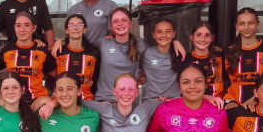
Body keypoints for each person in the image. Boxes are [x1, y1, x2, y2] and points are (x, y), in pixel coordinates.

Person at [53, 8, 185, 103]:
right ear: (111, 26)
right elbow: (80, 44)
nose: (120, 23)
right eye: (116, 21)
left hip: (129, 100)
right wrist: (61, 41)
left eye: (124, 20)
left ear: (130, 24)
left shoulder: (140, 44)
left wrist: (175, 42)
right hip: (104, 100)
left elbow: (159, 50)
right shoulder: (103, 43)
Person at [0, 12, 56, 109]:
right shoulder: (7, 50)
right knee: (2, 103)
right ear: (15, 28)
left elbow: (55, 74)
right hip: (14, 100)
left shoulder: (42, 50)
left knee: (47, 103)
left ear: (34, 28)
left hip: (36, 99)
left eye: (27, 25)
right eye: (18, 25)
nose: (22, 29)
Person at [224, 7, 263, 109]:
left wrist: (257, 98)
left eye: (251, 23)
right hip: (233, 102)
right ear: (236, 26)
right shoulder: (227, 52)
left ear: (257, 24)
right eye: (242, 24)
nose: (246, 27)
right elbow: (222, 82)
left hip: (261, 102)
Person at [55, 14, 101, 101]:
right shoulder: (59, 51)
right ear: (66, 30)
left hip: (86, 100)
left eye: (80, 25)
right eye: (72, 25)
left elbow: (97, 74)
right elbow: (51, 72)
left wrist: (90, 81)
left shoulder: (94, 52)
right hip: (61, 100)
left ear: (84, 29)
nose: (76, 28)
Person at [141, 19, 182, 101]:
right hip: (151, 100)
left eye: (168, 31)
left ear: (174, 34)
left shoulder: (179, 53)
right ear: (153, 34)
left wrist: (176, 42)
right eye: (159, 32)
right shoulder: (146, 53)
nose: (163, 35)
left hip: (173, 100)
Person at [188, 21, 225, 98]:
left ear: (212, 38)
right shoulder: (185, 59)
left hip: (219, 103)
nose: (202, 39)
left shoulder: (220, 57)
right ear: (191, 37)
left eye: (207, 35)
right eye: (198, 35)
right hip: (194, 103)